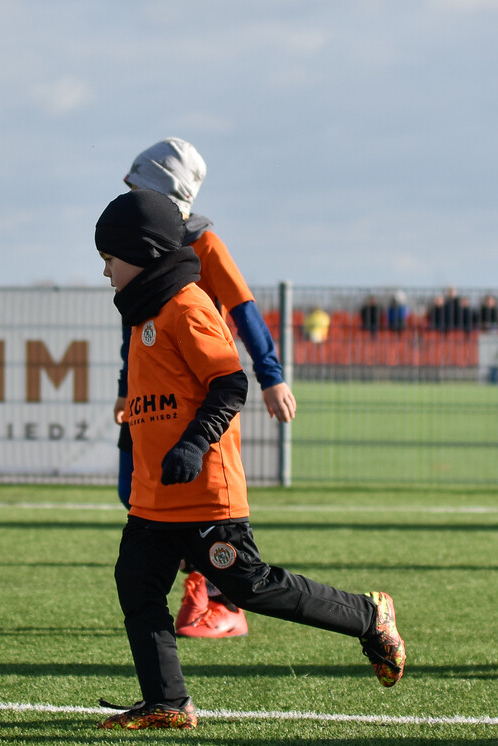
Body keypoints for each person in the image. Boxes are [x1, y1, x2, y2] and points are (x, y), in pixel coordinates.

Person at [93, 190, 405, 730]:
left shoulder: (187, 307)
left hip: (204, 493)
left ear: (141, 252)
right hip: (154, 500)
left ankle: (369, 614)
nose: (105, 273)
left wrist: (193, 444)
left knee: (249, 586)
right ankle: (168, 702)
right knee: (136, 585)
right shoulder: (143, 316)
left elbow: (229, 383)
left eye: (109, 259)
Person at [117, 138, 296, 639]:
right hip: (149, 404)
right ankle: (205, 583)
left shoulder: (206, 246)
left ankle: (220, 596)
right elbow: (132, 327)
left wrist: (271, 375)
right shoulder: (143, 244)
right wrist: (123, 388)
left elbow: (245, 311)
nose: (129, 195)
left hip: (200, 400)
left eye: (137, 187)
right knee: (131, 491)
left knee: (195, 507)